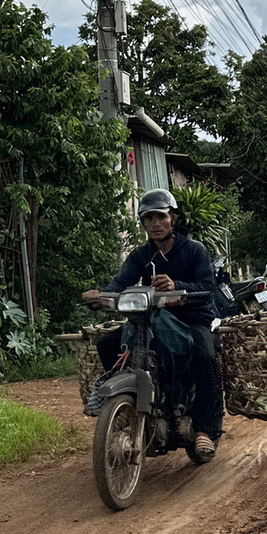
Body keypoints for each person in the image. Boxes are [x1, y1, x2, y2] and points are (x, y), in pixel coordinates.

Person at [82, 189, 223, 457]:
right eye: (148, 218)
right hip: (152, 320)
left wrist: (176, 285)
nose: (155, 224)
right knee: (106, 345)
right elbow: (119, 283)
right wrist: (101, 295)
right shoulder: (141, 255)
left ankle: (205, 430)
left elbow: (207, 287)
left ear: (173, 218)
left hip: (192, 318)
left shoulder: (195, 251)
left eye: (160, 216)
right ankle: (126, 406)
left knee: (204, 356)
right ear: (144, 224)